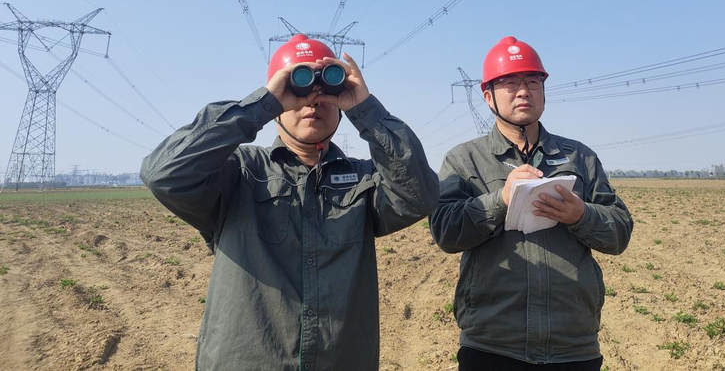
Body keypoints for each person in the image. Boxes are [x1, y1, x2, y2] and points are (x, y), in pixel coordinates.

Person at [141, 34, 438, 371]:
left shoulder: (363, 179)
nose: (313, 102)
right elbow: (163, 173)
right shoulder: (238, 172)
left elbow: (420, 196)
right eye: (298, 92)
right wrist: (262, 104)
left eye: (327, 93)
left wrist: (365, 109)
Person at [430, 36, 633, 370]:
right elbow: (446, 233)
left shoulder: (579, 157)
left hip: (573, 344)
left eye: (533, 81)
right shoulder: (465, 160)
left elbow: (619, 232)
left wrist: (581, 214)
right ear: (487, 96)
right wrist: (501, 200)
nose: (523, 91)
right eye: (509, 82)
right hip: (493, 344)